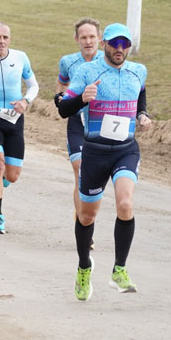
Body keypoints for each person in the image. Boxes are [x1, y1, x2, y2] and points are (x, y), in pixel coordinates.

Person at [56, 23, 150, 301]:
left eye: (125, 44)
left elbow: (141, 95)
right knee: (87, 215)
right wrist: (81, 99)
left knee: (125, 204)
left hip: (125, 150)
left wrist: (142, 115)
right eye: (114, 44)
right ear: (104, 44)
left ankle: (119, 269)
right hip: (94, 152)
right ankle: (84, 266)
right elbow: (63, 108)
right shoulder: (87, 72)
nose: (119, 49)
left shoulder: (138, 71)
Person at [0, 22, 39, 234]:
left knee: (12, 176)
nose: (1, 41)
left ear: (9, 40)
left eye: (5, 37)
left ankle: (2, 181)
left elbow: (33, 85)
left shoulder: (20, 57)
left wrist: (25, 101)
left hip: (14, 119)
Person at [56, 18, 105, 214]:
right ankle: (82, 219)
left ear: (100, 39)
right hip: (77, 121)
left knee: (95, 175)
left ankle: (89, 213)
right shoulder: (68, 61)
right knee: (79, 169)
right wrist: (60, 97)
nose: (88, 41)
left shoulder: (107, 60)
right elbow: (61, 83)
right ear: (76, 39)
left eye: (92, 37)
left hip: (101, 122)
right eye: (83, 37)